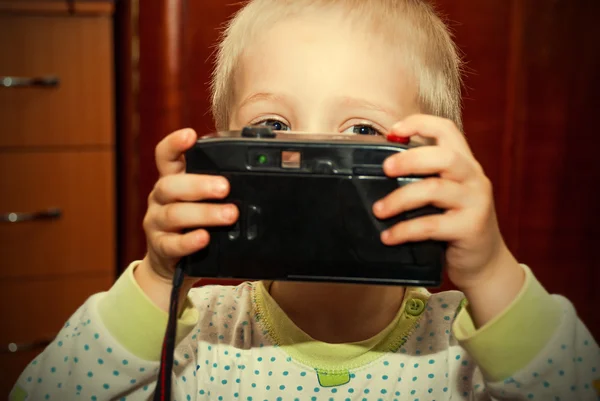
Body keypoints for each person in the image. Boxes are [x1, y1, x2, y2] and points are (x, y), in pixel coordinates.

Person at [11, 0, 600, 400]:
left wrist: (493, 272)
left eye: (362, 133)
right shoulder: (199, 335)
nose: (315, 163)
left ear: (434, 166)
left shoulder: (466, 347)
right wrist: (161, 280)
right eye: (271, 126)